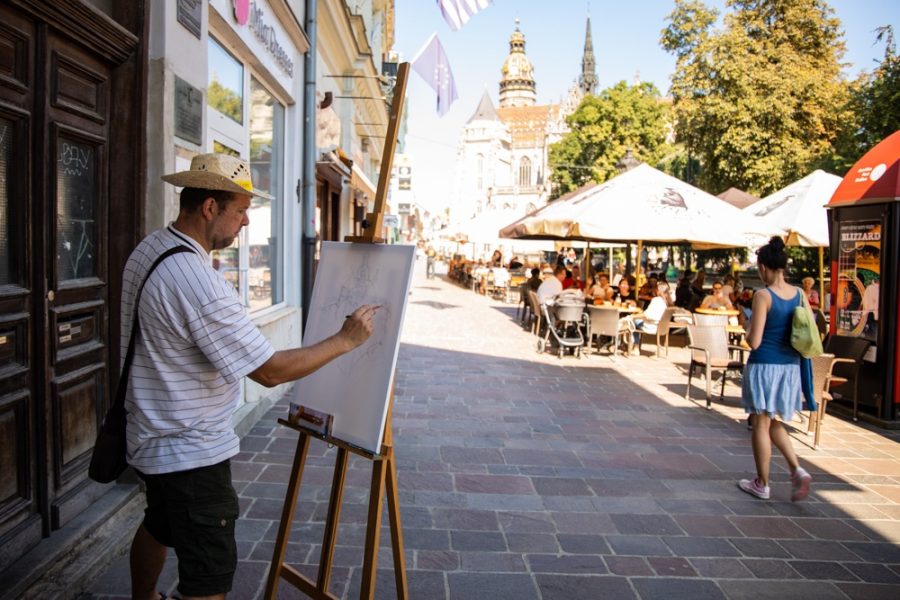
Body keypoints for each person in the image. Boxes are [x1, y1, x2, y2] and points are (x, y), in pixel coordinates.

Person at [124, 154, 379, 600]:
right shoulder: (196, 280)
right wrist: (345, 340)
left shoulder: (152, 248)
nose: (244, 222)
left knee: (159, 524)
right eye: (240, 210)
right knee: (209, 573)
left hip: (152, 432)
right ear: (209, 208)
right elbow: (268, 370)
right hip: (190, 447)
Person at [739, 236, 812, 502]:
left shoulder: (763, 295)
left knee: (760, 422)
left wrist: (747, 324)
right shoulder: (799, 294)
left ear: (763, 267)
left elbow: (754, 341)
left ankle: (762, 483)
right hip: (789, 367)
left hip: (765, 366)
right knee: (772, 420)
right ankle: (797, 469)